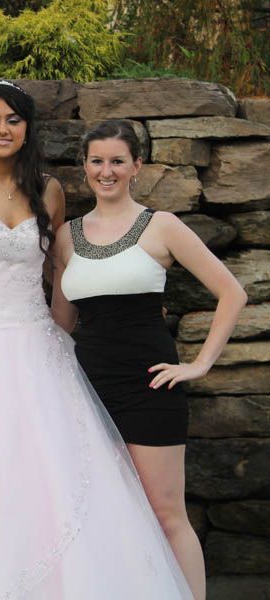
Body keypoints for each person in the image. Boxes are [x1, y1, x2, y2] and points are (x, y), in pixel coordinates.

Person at [0, 80, 193, 599]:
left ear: (28, 129)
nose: (3, 129)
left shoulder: (47, 190)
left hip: (35, 342)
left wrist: (72, 339)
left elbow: (60, 278)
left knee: (51, 476)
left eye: (13, 120)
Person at [51, 120, 247, 600]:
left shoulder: (162, 225)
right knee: (102, 510)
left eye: (118, 160)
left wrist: (198, 364)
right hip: (86, 389)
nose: (106, 171)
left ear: (137, 166)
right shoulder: (66, 236)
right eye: (97, 161)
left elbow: (232, 292)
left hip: (150, 386)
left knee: (164, 511)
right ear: (84, 168)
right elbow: (59, 322)